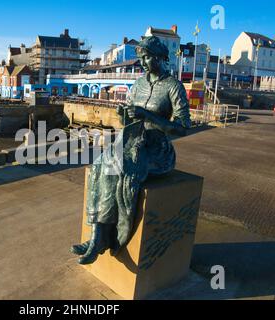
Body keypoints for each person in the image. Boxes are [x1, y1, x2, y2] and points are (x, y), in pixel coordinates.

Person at [71, 36, 192, 265]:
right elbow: (128, 120)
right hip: (133, 142)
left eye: (147, 58)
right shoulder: (138, 84)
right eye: (141, 59)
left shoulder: (173, 87)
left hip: (157, 151)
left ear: (160, 58)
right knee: (100, 164)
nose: (143, 63)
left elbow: (183, 128)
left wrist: (148, 116)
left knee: (116, 168)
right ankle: (97, 236)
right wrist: (123, 115)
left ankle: (103, 239)